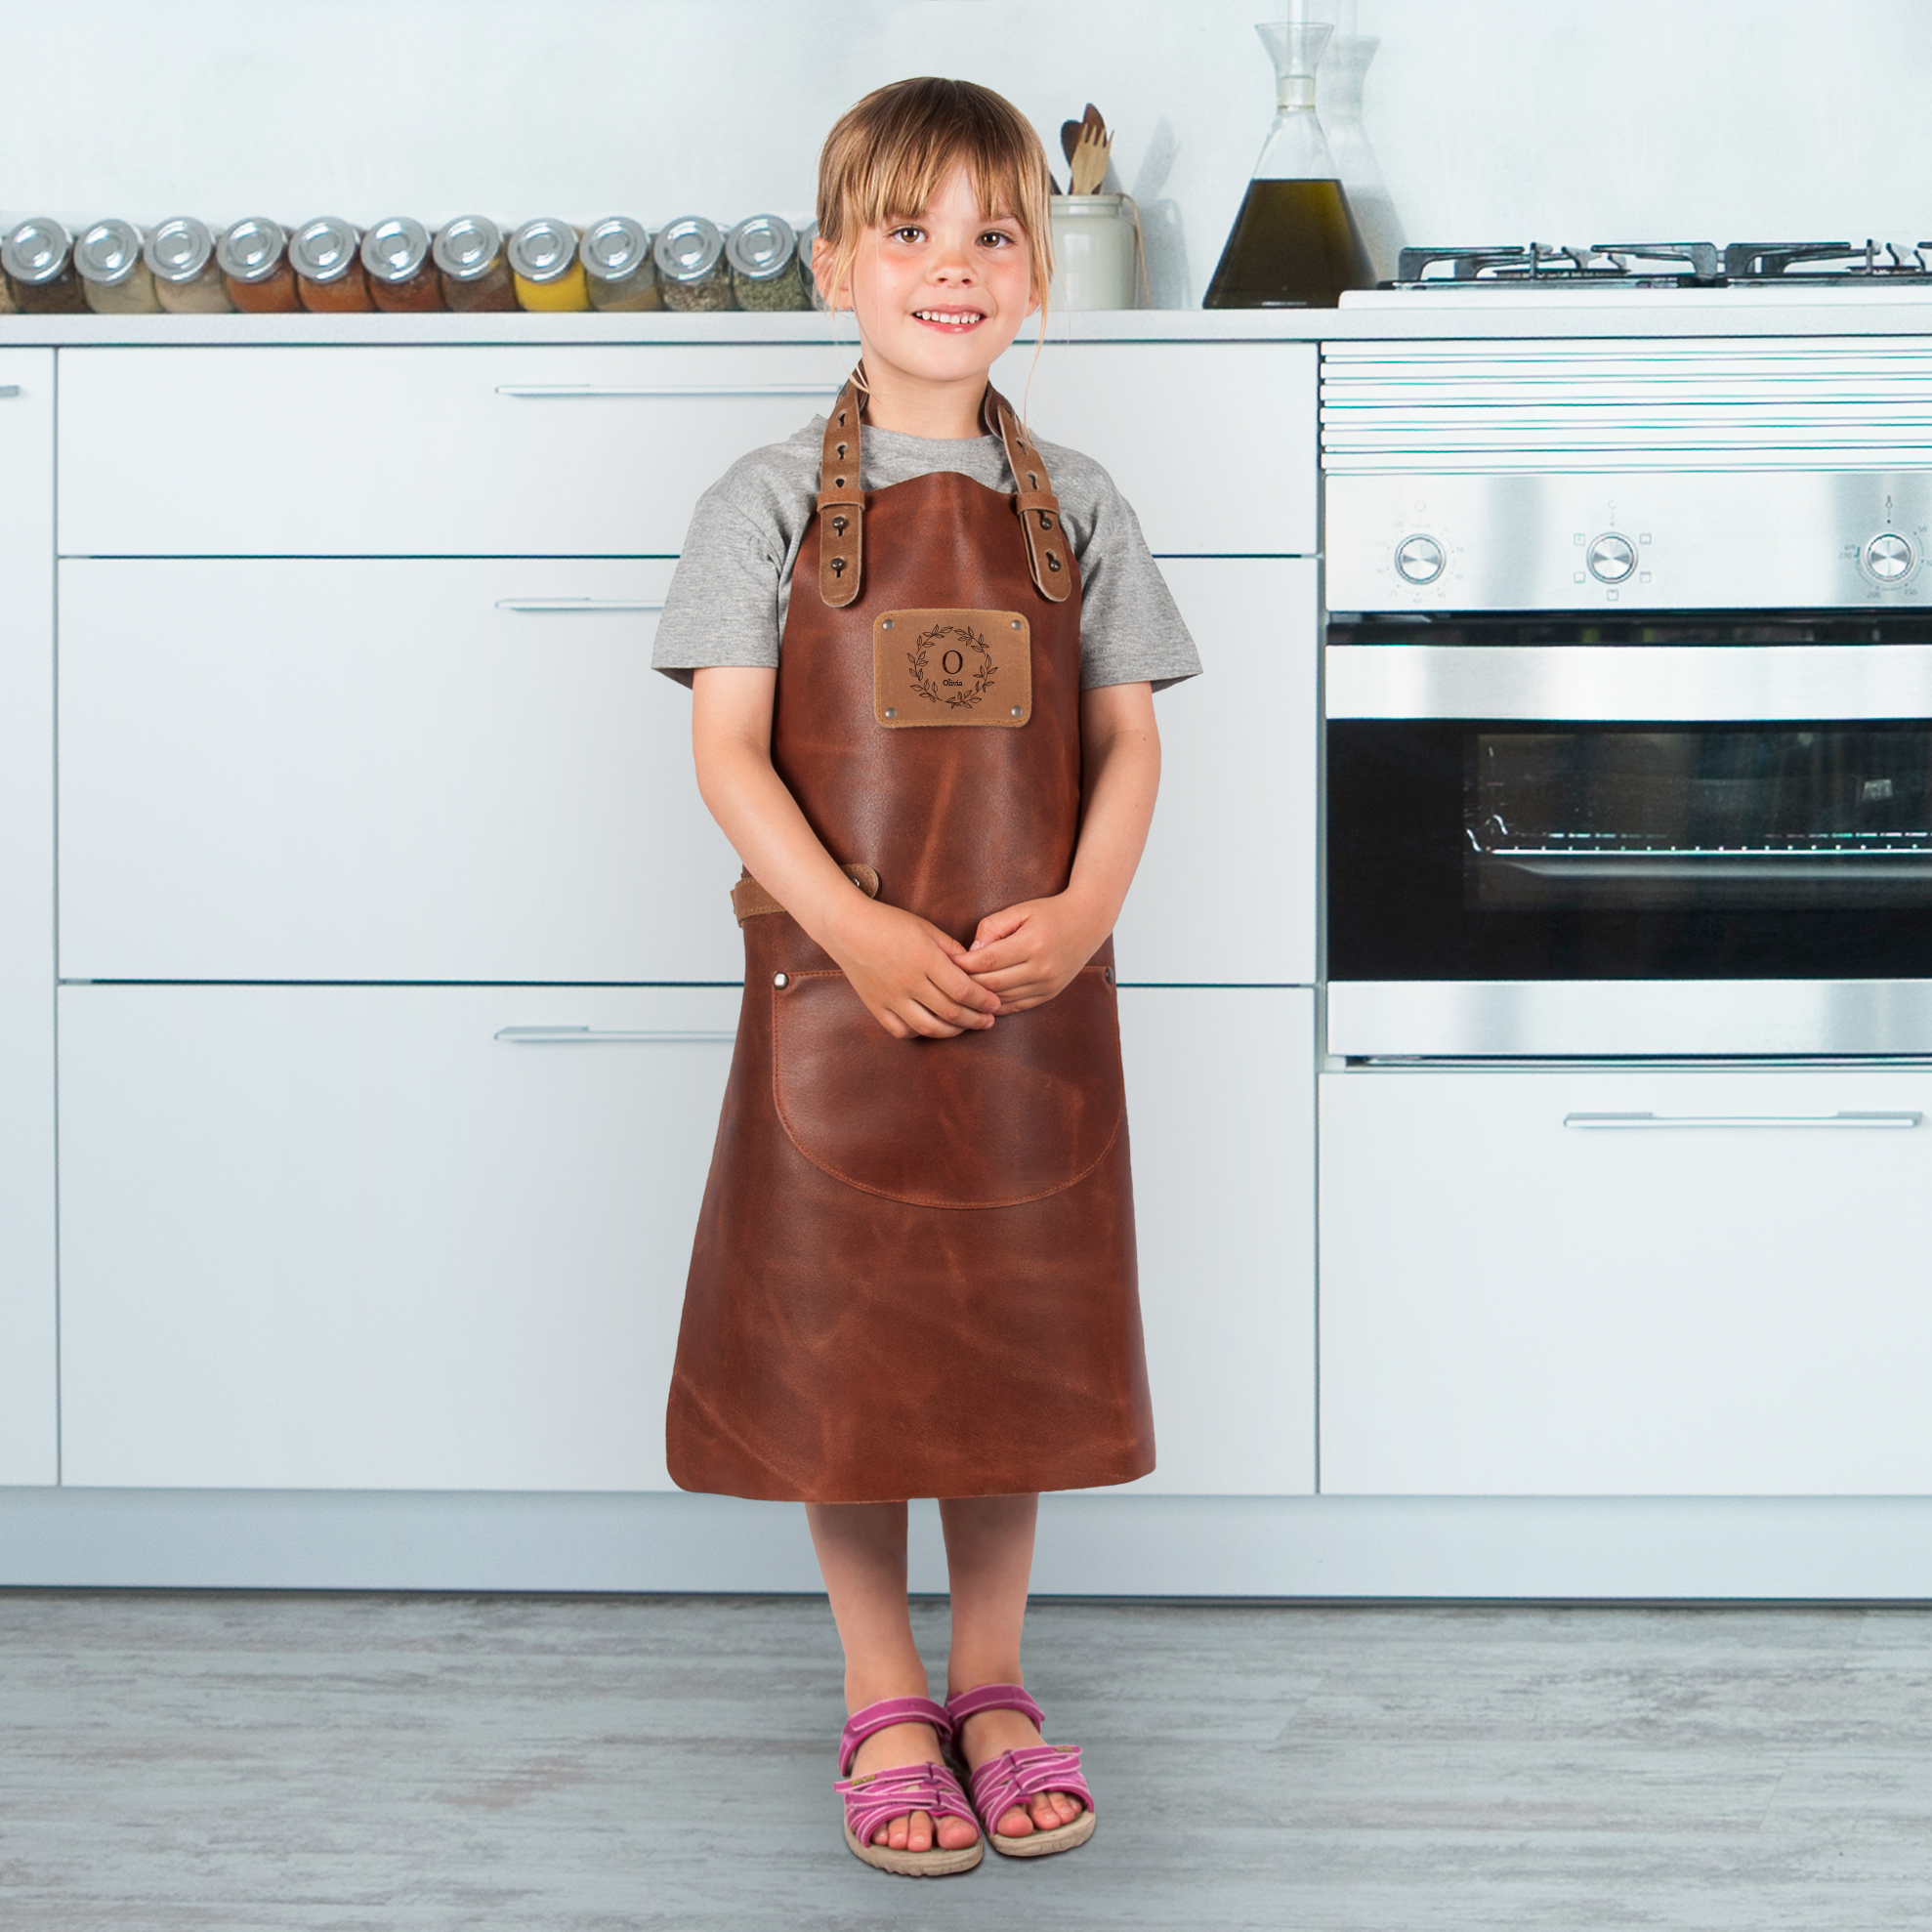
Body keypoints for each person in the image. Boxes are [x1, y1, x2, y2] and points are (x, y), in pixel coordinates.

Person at [651, 74, 1200, 1878]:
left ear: (1035, 276)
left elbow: (1126, 744)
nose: (948, 269)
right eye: (907, 232)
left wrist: (1092, 898)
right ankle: (882, 1684)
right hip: (840, 998)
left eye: (989, 235)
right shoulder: (759, 503)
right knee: (844, 1338)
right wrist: (854, 930)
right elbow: (734, 757)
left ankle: (994, 1676)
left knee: (1006, 1326)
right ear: (832, 266)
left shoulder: (1082, 504)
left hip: (1031, 996)